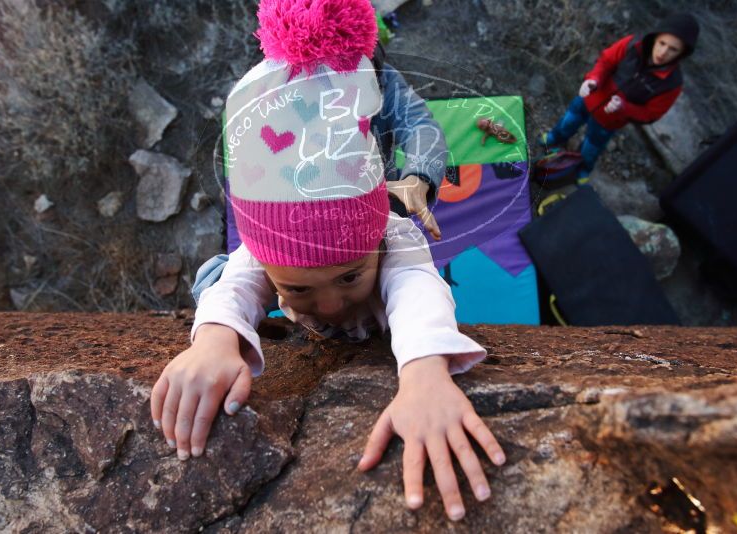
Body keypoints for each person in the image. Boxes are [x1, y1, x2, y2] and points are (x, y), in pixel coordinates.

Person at [151, 0, 505, 522]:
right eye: (296, 289)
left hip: (360, 201)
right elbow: (243, 275)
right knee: (219, 274)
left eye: (348, 279)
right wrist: (216, 337)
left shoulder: (390, 235)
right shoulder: (270, 242)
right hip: (295, 202)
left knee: (406, 261)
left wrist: (426, 371)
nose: (333, 303)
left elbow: (416, 286)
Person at [538, 13, 700, 185]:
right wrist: (593, 79)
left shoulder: (672, 84)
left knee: (591, 148)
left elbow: (650, 114)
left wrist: (624, 108)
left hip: (609, 120)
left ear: (682, 53)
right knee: (568, 121)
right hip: (589, 98)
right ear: (655, 38)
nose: (663, 52)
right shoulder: (633, 45)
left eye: (673, 49)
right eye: (662, 43)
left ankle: (582, 169)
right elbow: (606, 61)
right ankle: (554, 139)